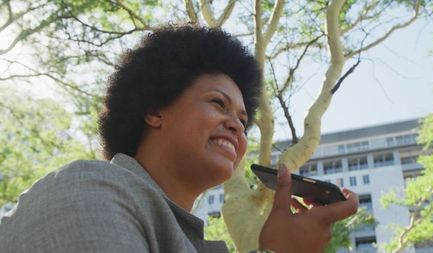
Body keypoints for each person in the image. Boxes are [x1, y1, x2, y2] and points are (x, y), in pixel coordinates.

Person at [0, 24, 358, 253]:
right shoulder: (86, 188)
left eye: (243, 120)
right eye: (218, 103)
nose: (235, 125)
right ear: (155, 110)